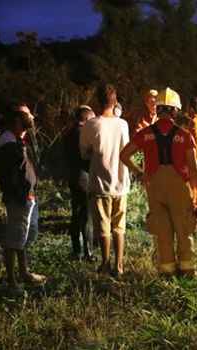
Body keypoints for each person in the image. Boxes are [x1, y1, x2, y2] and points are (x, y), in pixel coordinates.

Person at [120, 87, 197, 277]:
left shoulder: (145, 133)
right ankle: (187, 270)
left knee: (163, 232)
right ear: (175, 111)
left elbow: (124, 155)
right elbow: (194, 169)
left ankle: (166, 271)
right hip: (179, 187)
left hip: (154, 186)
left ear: (158, 109)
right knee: (184, 230)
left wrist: (139, 172)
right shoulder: (185, 136)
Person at [0, 103, 46, 286]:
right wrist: (20, 193)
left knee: (24, 234)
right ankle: (12, 280)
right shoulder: (8, 142)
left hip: (27, 195)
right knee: (15, 236)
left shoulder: (19, 139)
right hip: (20, 197)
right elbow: (11, 174)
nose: (31, 118)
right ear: (17, 120)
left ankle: (23, 272)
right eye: (27, 116)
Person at [80, 84, 131, 277]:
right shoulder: (123, 124)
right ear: (115, 101)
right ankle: (119, 266)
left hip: (100, 181)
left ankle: (105, 264)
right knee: (119, 226)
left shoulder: (91, 125)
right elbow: (127, 150)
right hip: (121, 182)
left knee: (103, 227)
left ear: (97, 101)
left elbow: (84, 153)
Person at [65, 105, 95, 260]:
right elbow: (87, 157)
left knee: (75, 215)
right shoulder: (83, 134)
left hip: (73, 177)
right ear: (87, 118)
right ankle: (88, 252)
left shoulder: (68, 132)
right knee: (86, 217)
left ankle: (76, 250)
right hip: (85, 178)